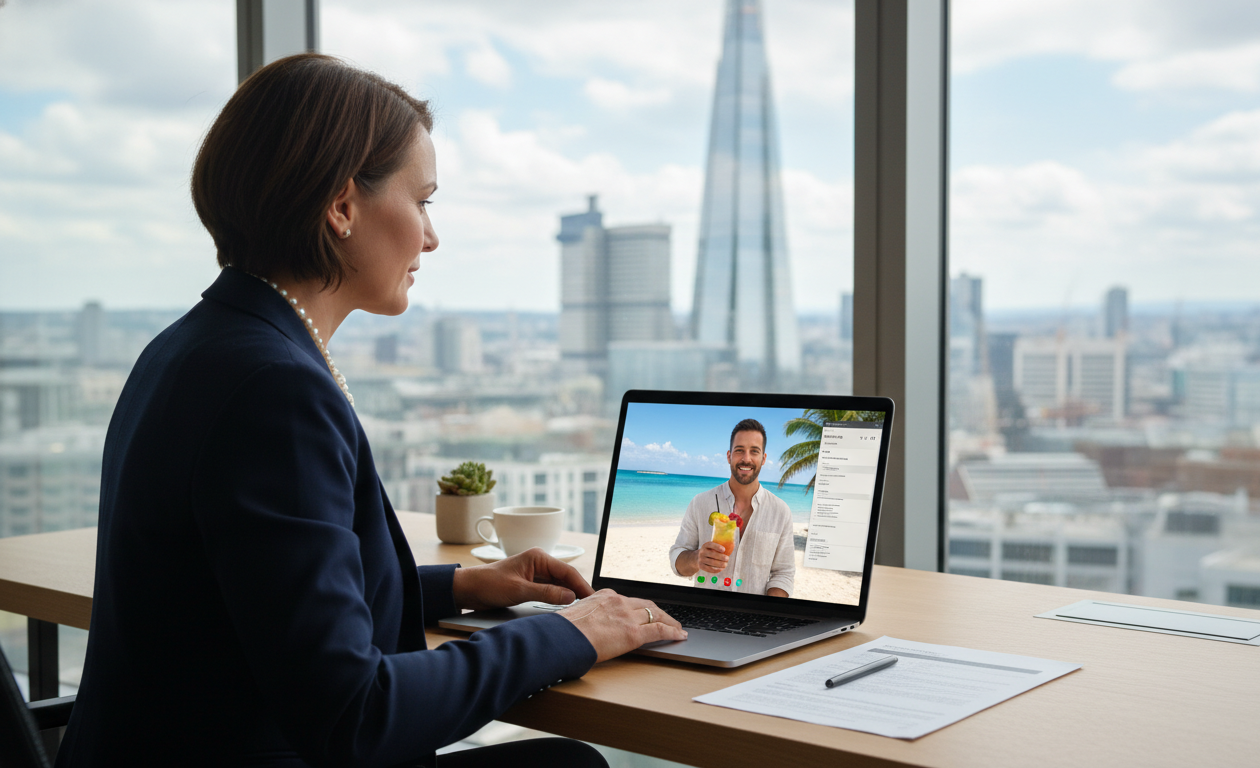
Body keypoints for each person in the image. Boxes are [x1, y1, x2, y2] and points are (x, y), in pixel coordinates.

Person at [54, 53, 684, 768]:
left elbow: (266, 601)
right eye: (423, 202)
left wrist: (465, 586)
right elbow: (353, 714)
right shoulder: (275, 387)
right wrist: (572, 633)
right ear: (343, 206)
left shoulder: (195, 345)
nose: (431, 236)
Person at [669, 419, 795, 596]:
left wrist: (768, 615)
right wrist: (696, 558)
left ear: (763, 458)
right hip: (707, 611)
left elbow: (783, 574)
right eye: (739, 451)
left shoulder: (780, 512)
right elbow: (677, 559)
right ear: (729, 456)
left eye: (754, 451)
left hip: (755, 616)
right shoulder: (700, 502)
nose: (746, 458)